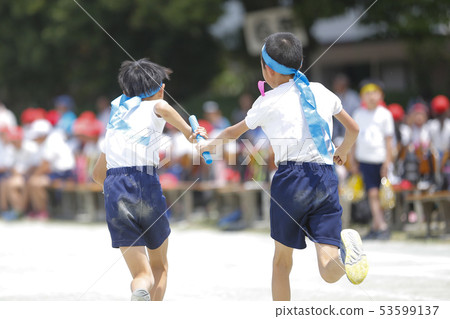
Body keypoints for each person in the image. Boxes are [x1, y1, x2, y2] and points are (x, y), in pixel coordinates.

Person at [198, 32, 367, 301]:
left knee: (281, 262)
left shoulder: (267, 102)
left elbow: (234, 131)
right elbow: (354, 128)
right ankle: (347, 255)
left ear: (267, 69)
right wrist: (342, 152)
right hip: (325, 176)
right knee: (328, 267)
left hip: (291, 179)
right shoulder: (321, 91)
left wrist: (209, 145)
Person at [92, 58, 207, 301]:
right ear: (161, 89)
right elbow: (181, 127)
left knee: (141, 273)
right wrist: (195, 134)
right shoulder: (158, 106)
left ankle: (139, 289)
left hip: (114, 187)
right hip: (144, 182)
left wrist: (115, 192)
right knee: (160, 266)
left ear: (125, 91)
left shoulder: (114, 123)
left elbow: (96, 174)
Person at [351, 81, 394, 240]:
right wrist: (353, 160)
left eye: (374, 93)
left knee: (380, 194)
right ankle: (379, 225)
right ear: (362, 96)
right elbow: (354, 140)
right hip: (365, 159)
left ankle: (379, 225)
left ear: (381, 95)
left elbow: (389, 142)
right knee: (372, 193)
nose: (371, 97)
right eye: (367, 93)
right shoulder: (358, 114)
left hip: (381, 159)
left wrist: (387, 162)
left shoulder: (385, 114)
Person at [331, 74, 360, 144]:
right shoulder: (334, 96)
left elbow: (357, 114)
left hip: (354, 129)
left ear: (345, 85)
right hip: (339, 134)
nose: (336, 86)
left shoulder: (353, 96)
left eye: (338, 84)